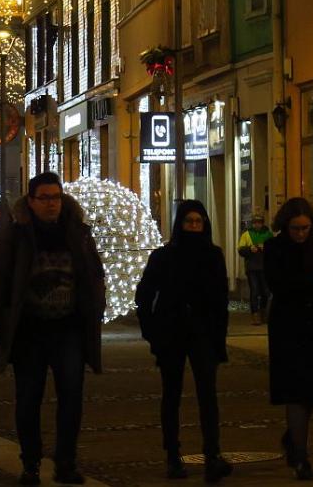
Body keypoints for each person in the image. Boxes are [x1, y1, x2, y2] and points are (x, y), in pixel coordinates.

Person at [0, 171, 105, 486]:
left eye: (56, 197)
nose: (51, 204)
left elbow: (93, 273)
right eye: (44, 198)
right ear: (31, 201)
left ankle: (66, 464)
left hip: (69, 329)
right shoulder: (17, 232)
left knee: (72, 396)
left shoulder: (77, 231)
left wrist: (96, 309)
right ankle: (30, 464)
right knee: (28, 399)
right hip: (29, 330)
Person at [135, 200, 232, 482]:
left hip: (203, 332)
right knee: (172, 394)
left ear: (205, 224)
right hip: (172, 332)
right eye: (188, 221)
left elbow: (221, 298)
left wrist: (218, 338)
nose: (193, 226)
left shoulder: (213, 255)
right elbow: (144, 294)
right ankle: (173, 456)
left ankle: (212, 454)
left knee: (208, 395)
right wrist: (151, 331)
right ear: (180, 224)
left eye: (197, 222)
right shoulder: (164, 256)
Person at [264, 197, 313, 481]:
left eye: (305, 228)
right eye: (295, 228)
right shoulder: (275, 248)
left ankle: (293, 438)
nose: (300, 234)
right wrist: (312, 280)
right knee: (295, 389)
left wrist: (312, 282)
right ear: (285, 226)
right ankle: (301, 456)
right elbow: (279, 285)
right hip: (287, 327)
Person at [238, 212, 274, 325]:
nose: (257, 225)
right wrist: (250, 249)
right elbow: (240, 249)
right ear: (252, 223)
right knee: (254, 291)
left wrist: (266, 248)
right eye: (255, 222)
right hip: (252, 268)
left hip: (265, 267)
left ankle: (263, 313)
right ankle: (255, 315)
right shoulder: (247, 234)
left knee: (265, 292)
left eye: (259, 222)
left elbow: (274, 250)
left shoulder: (268, 234)